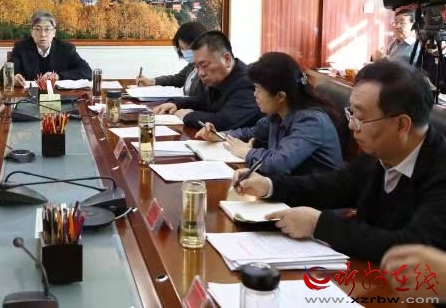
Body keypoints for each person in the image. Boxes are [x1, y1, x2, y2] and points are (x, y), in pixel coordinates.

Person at [235, 60, 446, 263]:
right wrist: (269, 185)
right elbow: (332, 186)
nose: (352, 126)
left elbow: (412, 249)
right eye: (350, 113)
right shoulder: (378, 155)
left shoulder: (439, 169)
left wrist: (319, 225)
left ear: (401, 125)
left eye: (360, 118)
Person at [197, 52, 343, 176]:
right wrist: (219, 136)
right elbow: (250, 132)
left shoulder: (311, 122)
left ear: (280, 96)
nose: (254, 94)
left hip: (314, 198)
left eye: (258, 89)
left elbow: (278, 164)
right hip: (287, 189)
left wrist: (246, 152)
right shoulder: (278, 114)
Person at [153, 31, 261, 130]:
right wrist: (176, 103)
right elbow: (202, 101)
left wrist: (187, 116)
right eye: (197, 67)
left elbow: (225, 121)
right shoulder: (221, 79)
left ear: (227, 59)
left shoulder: (247, 82)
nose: (200, 73)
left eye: (204, 65)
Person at [9, 11, 92, 87]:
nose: (43, 34)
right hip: (29, 95)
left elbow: (87, 71)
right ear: (32, 32)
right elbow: (5, 73)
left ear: (54, 33)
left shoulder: (66, 49)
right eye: (38, 29)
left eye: (47, 29)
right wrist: (13, 78)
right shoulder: (21, 48)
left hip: (59, 96)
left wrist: (58, 76)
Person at [136, 21, 207, 97]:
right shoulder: (192, 65)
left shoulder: (209, 69)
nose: (184, 52)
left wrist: (177, 102)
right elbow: (178, 79)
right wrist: (151, 81)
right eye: (182, 48)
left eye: (187, 48)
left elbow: (204, 100)